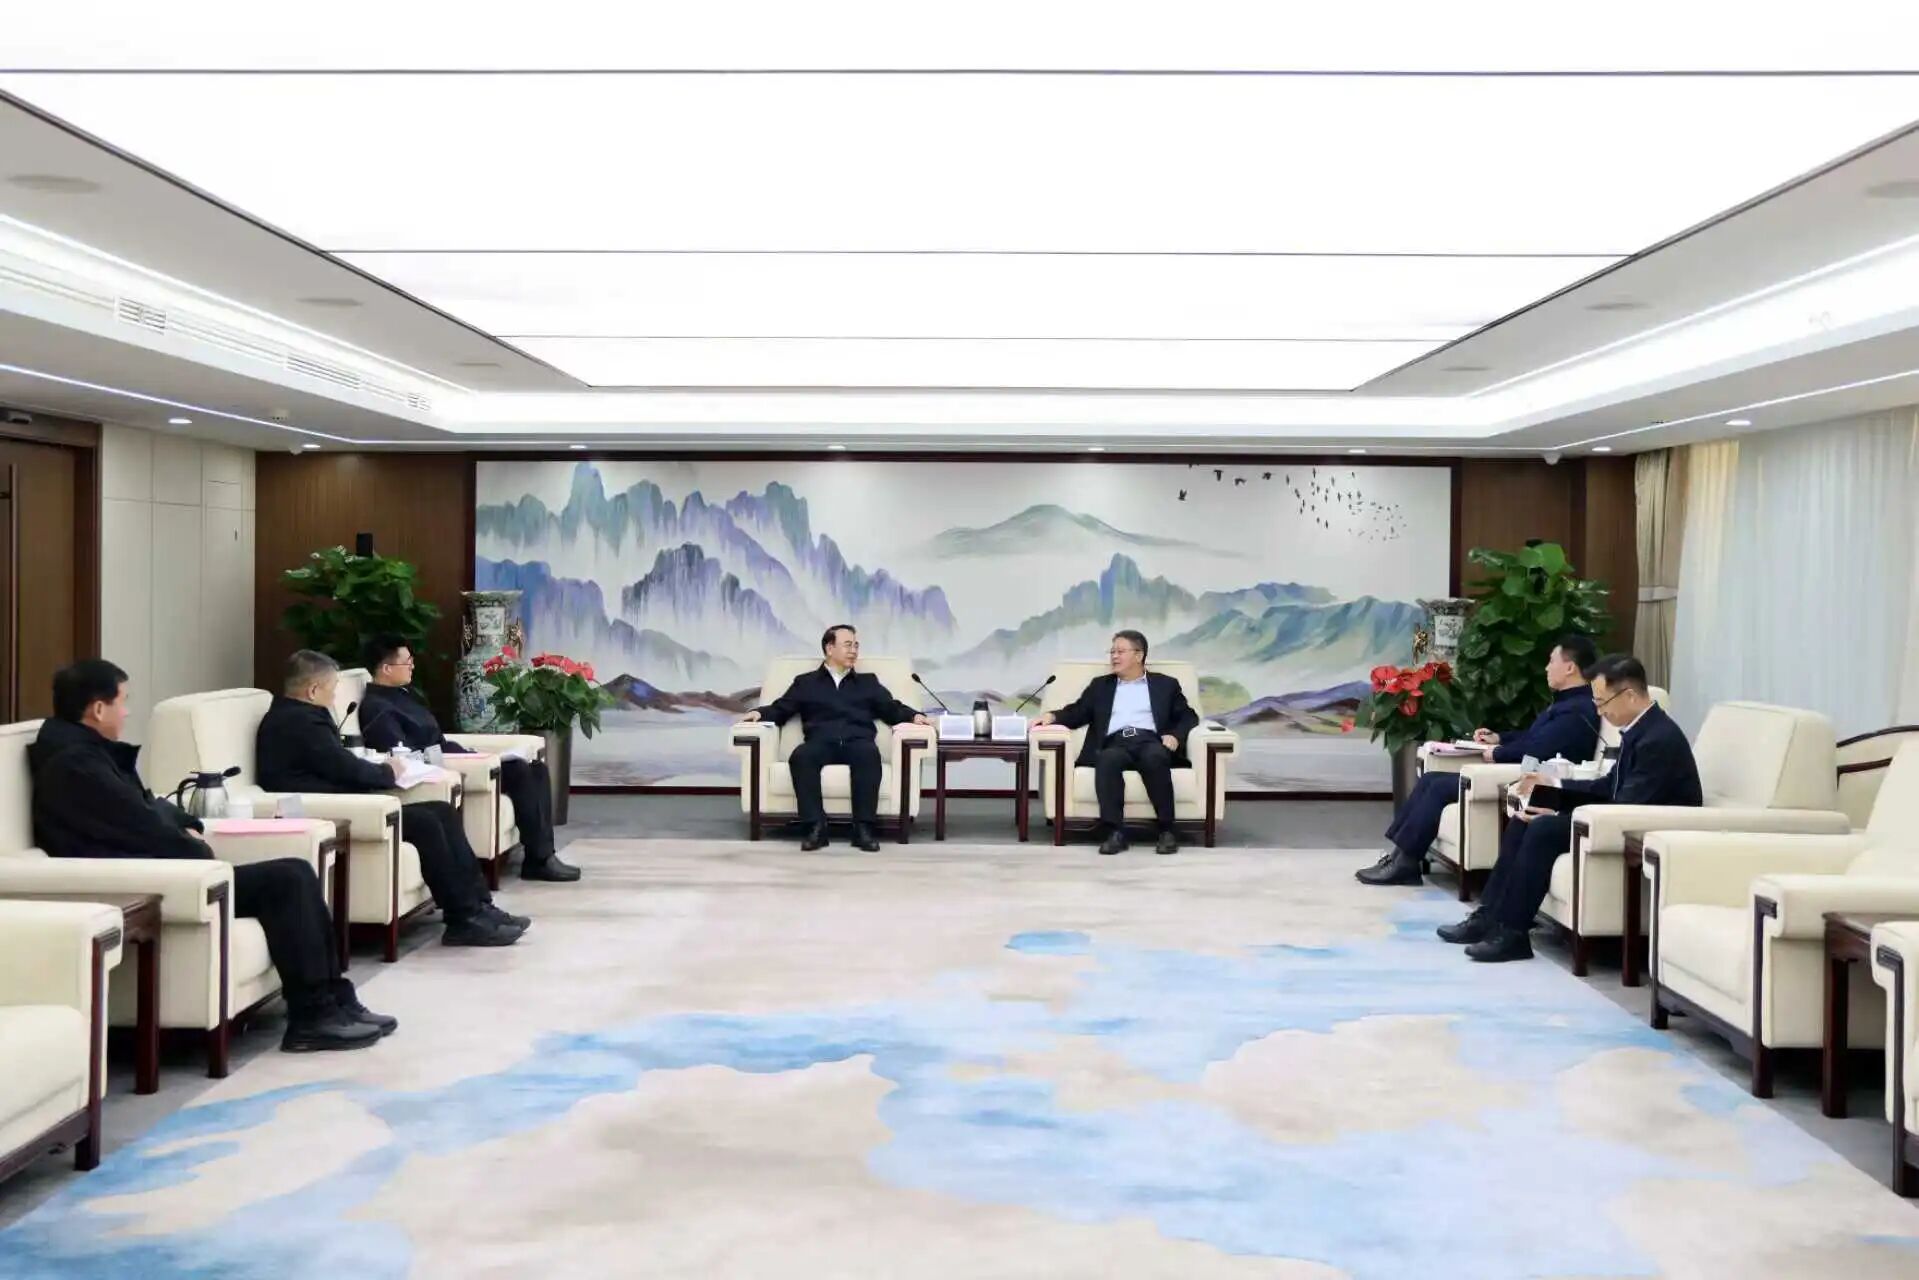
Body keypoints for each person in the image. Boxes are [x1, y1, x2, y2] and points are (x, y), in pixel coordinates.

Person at [30, 659, 394, 1052]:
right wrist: (195, 848)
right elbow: (141, 824)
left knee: (296, 874)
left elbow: (148, 805)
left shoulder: (88, 752)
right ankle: (313, 1016)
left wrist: (190, 823)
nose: (128, 712)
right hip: (154, 880)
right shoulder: (76, 765)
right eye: (123, 701)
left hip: (171, 871)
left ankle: (334, 1000)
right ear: (99, 709)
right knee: (289, 879)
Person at [1437, 654, 1702, 963]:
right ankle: (1490, 917)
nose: (1600, 711)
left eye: (1602, 702)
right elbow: (1609, 786)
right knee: (1526, 816)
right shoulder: (1640, 728)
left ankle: (1513, 933)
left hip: (1643, 828)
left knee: (1543, 827)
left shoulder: (1659, 739)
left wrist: (1560, 813)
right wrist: (1551, 788)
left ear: (1629, 695)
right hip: (1617, 816)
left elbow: (1628, 804)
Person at [257, 650, 526, 947]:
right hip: (334, 808)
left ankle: (479, 906)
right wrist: (388, 772)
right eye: (332, 690)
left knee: (441, 811)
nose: (334, 698)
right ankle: (463, 918)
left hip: (350, 800)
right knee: (426, 823)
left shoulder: (297, 715)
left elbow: (336, 763)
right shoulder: (300, 723)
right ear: (312, 690)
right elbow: (345, 768)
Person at [1357, 634, 1602, 886]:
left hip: (1535, 777)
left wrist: (1498, 753)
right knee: (1431, 779)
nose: (1547, 667)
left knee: (1439, 786)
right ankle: (1400, 857)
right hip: (1521, 768)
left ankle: (1405, 863)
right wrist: (1499, 738)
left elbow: (1540, 749)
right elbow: (1532, 736)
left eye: (1552, 661)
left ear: (1570, 667)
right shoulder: (1565, 704)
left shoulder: (1577, 710)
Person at [357, 636, 578, 883]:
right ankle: (539, 860)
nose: (413, 666)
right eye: (407, 662)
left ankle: (542, 855)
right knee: (519, 770)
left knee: (536, 769)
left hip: (452, 754)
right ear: (386, 669)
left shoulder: (403, 695)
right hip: (437, 767)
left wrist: (470, 753)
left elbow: (436, 736)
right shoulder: (377, 708)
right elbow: (401, 754)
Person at [739, 624, 929, 852]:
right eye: (848, 645)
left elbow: (891, 708)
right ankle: (816, 827)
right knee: (801, 756)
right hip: (820, 742)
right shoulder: (806, 683)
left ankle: (863, 829)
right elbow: (782, 708)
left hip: (857, 741)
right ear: (830, 648)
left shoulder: (867, 682)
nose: (854, 650)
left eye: (856, 645)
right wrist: (759, 714)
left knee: (869, 755)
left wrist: (914, 716)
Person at [1033, 630, 1199, 856]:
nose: (1114, 656)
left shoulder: (1165, 685)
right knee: (1107, 760)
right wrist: (1052, 716)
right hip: (1115, 743)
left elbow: (1188, 716)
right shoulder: (1101, 686)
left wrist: (1175, 736)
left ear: (1139, 655)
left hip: (1149, 741)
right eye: (1112, 652)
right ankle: (1114, 832)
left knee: (1155, 757)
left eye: (1120, 651)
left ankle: (1166, 830)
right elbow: (1078, 712)